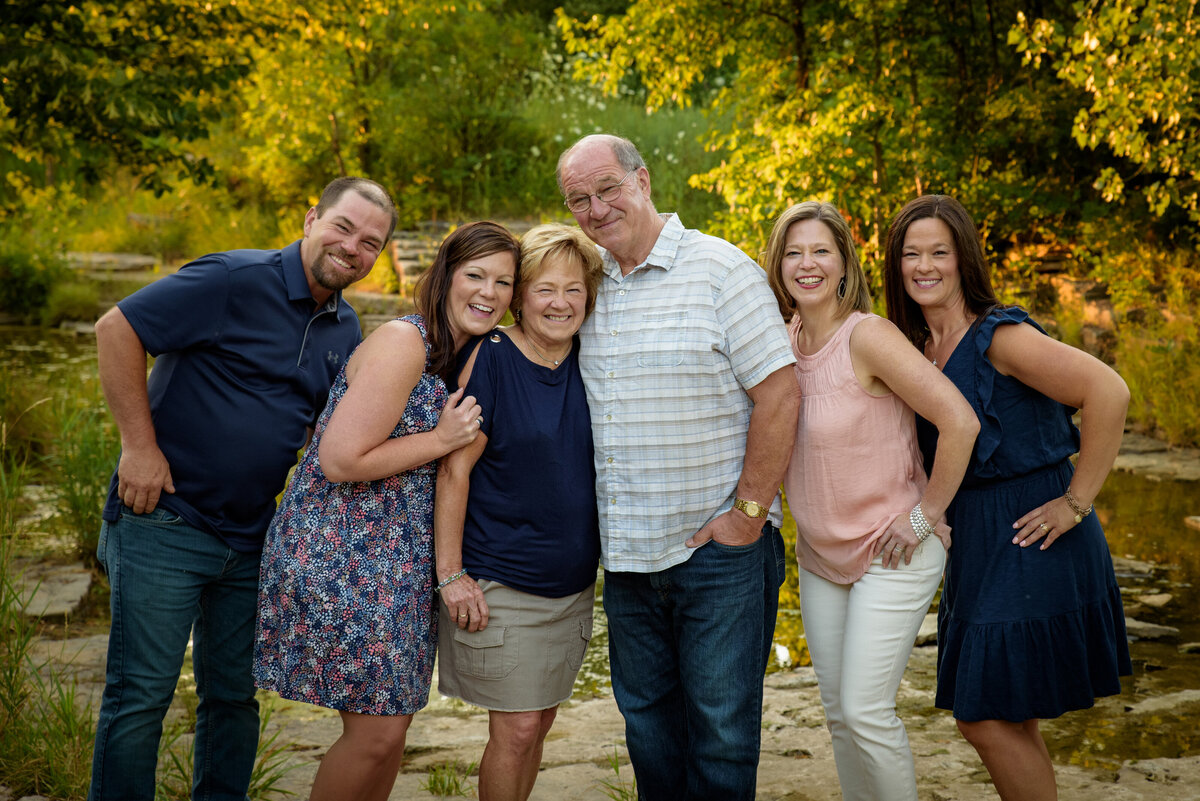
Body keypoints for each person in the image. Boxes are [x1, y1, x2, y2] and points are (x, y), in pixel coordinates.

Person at [88, 178, 396, 801]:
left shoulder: (345, 328)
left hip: (251, 537)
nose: (352, 248)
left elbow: (321, 431)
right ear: (312, 218)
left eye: (370, 243)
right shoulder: (231, 278)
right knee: (141, 696)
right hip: (163, 522)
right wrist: (139, 448)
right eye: (343, 227)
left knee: (232, 697)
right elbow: (116, 328)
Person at [555, 133, 801, 801]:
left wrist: (749, 514)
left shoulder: (722, 271)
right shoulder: (587, 286)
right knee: (649, 729)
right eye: (579, 199)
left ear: (643, 179)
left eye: (608, 188)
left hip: (718, 554)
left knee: (721, 735)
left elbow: (780, 393)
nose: (597, 208)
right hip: (628, 558)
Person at [252, 221, 518, 801]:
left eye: (504, 281)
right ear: (446, 276)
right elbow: (340, 460)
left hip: (398, 557)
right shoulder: (407, 342)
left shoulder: (469, 353)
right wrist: (441, 439)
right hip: (342, 548)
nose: (489, 293)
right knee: (376, 732)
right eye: (475, 275)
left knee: (390, 727)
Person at [882, 194, 1132, 801]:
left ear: (964, 258)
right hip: (978, 543)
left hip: (1034, 533)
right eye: (911, 254)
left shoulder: (1000, 337)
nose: (925, 266)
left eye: (939, 251)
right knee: (1013, 715)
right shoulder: (915, 347)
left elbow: (1109, 390)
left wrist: (1077, 501)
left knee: (982, 715)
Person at [763, 201, 979, 801]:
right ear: (777, 264)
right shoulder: (779, 343)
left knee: (865, 711)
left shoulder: (871, 336)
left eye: (821, 251)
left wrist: (926, 514)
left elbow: (959, 421)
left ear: (843, 263)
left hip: (894, 548)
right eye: (793, 252)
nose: (807, 264)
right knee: (839, 717)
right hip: (818, 558)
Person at [433, 222, 603, 801]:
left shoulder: (592, 358)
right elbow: (455, 470)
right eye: (545, 289)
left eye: (574, 290)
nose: (560, 303)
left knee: (538, 728)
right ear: (520, 295)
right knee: (518, 728)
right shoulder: (492, 358)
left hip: (573, 586)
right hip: (502, 580)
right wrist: (452, 575)